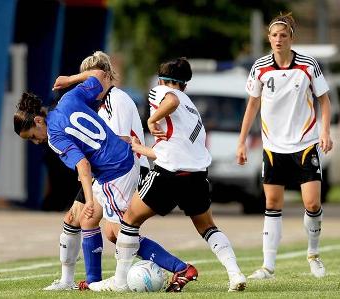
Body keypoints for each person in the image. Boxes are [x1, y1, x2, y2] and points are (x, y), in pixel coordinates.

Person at [14, 68, 198, 292]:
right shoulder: (69, 98)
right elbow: (100, 75)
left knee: (119, 233)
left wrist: (89, 200)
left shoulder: (55, 137)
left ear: (38, 120)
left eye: (33, 136)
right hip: (117, 163)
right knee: (84, 220)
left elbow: (83, 165)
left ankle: (180, 268)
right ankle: (87, 281)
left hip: (115, 171)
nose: (35, 142)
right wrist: (72, 79)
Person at [89, 57, 246, 292]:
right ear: (187, 84)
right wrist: (140, 148)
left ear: (162, 79)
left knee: (129, 221)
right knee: (208, 227)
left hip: (169, 176)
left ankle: (120, 282)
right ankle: (235, 274)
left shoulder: (161, 91)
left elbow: (170, 100)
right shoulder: (192, 108)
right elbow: (174, 148)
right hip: (196, 176)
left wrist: (152, 118)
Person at [42, 51, 152, 291]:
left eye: (86, 81)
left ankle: (174, 267)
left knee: (115, 231)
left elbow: (121, 139)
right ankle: (82, 281)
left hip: (123, 167)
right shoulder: (99, 103)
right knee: (80, 218)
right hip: (107, 170)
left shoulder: (117, 99)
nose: (85, 86)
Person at [237, 12, 333, 280]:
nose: (278, 40)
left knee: (312, 203)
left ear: (292, 38)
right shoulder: (260, 67)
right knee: (272, 202)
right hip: (272, 146)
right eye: (274, 35)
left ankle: (313, 254)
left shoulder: (307, 65)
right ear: (268, 38)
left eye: (283, 35)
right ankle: (267, 266)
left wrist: (324, 131)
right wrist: (242, 141)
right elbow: (252, 104)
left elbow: (324, 100)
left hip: (304, 144)